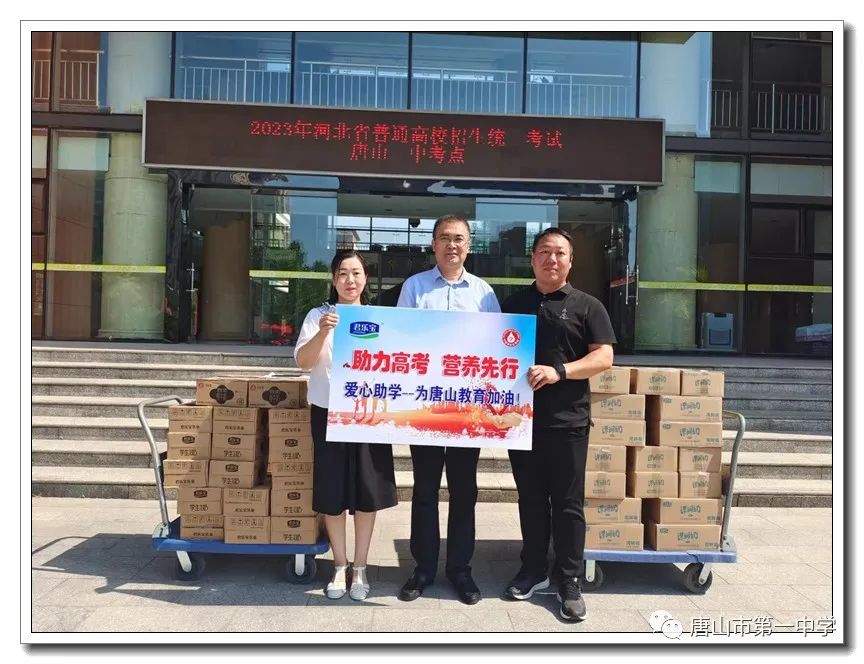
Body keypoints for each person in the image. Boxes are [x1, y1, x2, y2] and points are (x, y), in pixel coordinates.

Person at [500, 227, 615, 622]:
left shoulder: (588, 306)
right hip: (520, 420)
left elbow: (603, 357)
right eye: (544, 252)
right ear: (532, 259)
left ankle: (569, 579)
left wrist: (559, 371)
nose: (552, 259)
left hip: (569, 422)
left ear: (570, 260)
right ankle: (533, 570)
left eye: (560, 253)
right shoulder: (514, 304)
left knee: (568, 504)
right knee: (530, 500)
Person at [396, 213, 501, 605]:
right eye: (444, 238)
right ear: (433, 245)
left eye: (459, 238)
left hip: (468, 410)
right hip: (425, 405)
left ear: (468, 246)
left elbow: (498, 348)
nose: (451, 245)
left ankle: (460, 570)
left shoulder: (484, 294)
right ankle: (423, 568)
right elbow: (399, 339)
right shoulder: (414, 287)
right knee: (424, 489)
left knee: (464, 491)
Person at [294, 249, 398, 601]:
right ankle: (340, 565)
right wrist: (323, 332)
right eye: (342, 273)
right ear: (333, 279)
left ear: (365, 278)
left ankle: (361, 567)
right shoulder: (318, 316)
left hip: (369, 413)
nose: (349, 280)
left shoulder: (380, 317)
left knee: (367, 492)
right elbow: (304, 362)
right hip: (328, 413)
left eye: (356, 273)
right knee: (332, 492)